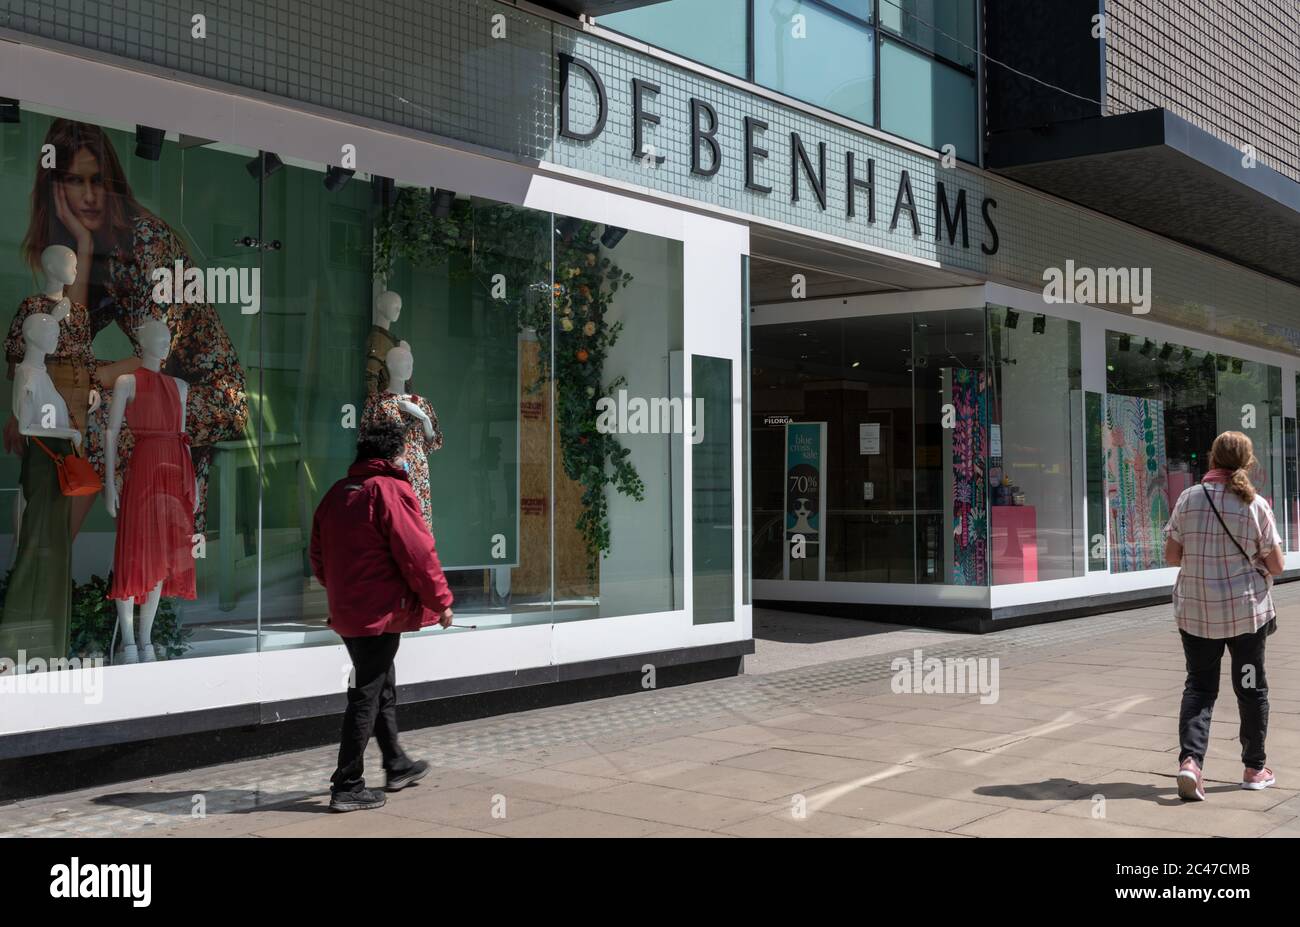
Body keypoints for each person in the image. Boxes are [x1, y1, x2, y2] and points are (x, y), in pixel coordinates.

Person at [6, 118, 248, 535]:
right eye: (74, 182)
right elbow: (71, 344)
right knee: (74, 392)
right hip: (155, 388)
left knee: (92, 411)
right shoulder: (98, 248)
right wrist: (82, 245)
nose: (89, 196)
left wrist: (90, 380)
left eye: (98, 181)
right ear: (56, 189)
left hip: (212, 395)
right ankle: (46, 563)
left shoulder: (146, 239)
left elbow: (158, 354)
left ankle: (53, 558)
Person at [310, 420, 455, 813]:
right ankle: (347, 784)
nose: (407, 460)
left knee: (380, 685)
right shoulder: (391, 490)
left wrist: (340, 593)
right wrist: (441, 600)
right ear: (393, 455)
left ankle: (396, 764)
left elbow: (318, 556)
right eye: (405, 453)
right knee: (366, 692)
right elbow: (418, 553)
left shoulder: (337, 493)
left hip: (349, 612)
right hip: (380, 613)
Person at [1164, 431, 1284, 801]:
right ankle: (1254, 768)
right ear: (1247, 462)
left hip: (1198, 613)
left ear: (1212, 458)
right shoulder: (1255, 505)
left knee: (1199, 688)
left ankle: (1190, 763)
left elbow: (1171, 556)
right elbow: (1277, 565)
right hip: (1245, 616)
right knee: (1250, 689)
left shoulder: (1188, 498)